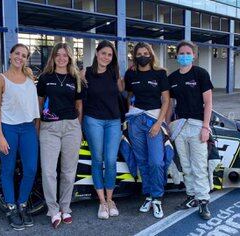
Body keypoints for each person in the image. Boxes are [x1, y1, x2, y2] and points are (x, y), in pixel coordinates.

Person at [0, 43, 40, 230]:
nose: (20, 57)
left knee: (30, 169)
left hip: (28, 129)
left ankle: (23, 204)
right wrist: (0, 136)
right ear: (10, 55)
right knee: (8, 169)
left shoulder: (29, 78)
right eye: (17, 53)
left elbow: (34, 107)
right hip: (9, 129)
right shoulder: (0, 79)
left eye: (24, 55)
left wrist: (35, 131)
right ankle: (11, 208)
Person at [37, 42, 83, 229]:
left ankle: (65, 208)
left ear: (69, 57)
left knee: (68, 171)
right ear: (53, 57)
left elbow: (79, 105)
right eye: (58, 55)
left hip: (71, 127)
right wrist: (38, 127)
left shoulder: (75, 78)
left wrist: (77, 126)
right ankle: (53, 210)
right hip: (49, 128)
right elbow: (39, 104)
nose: (62, 58)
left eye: (65, 55)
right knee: (49, 171)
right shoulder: (45, 78)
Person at [166, 40, 214, 220]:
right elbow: (170, 105)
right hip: (179, 127)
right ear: (176, 55)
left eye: (188, 53)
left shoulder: (200, 74)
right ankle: (192, 196)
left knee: (199, 165)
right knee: (185, 165)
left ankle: (203, 201)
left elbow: (208, 102)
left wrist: (205, 127)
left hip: (197, 126)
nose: (184, 56)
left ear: (194, 55)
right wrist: (167, 125)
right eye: (181, 53)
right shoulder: (172, 78)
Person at [124, 42, 170, 219]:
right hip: (136, 121)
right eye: (139, 53)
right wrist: (130, 114)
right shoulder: (131, 74)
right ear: (134, 56)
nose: (142, 56)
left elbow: (166, 100)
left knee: (156, 161)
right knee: (142, 161)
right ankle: (149, 196)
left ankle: (157, 197)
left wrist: (159, 123)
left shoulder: (160, 73)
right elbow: (128, 95)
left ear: (151, 55)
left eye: (145, 53)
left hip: (154, 121)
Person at [80, 40, 124, 220]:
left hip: (113, 121)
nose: (106, 56)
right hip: (93, 121)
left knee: (111, 160)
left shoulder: (115, 74)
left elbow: (125, 95)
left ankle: (110, 199)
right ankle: (102, 202)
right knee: (97, 160)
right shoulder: (85, 73)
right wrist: (79, 123)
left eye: (109, 54)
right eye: (103, 53)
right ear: (97, 53)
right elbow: (80, 101)